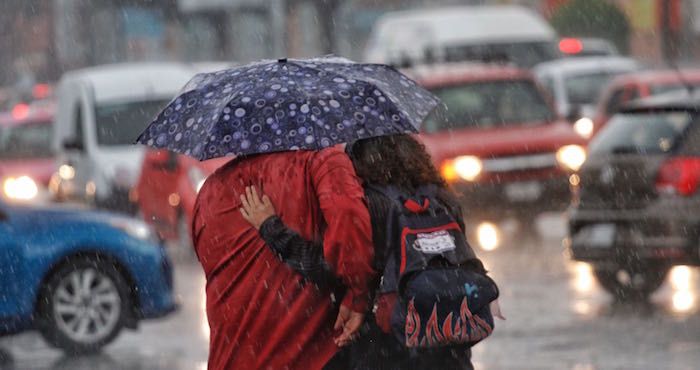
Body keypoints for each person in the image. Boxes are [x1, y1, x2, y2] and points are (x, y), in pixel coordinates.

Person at [240, 134, 501, 369]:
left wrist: (271, 229)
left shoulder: (367, 206)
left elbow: (330, 266)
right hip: (448, 339)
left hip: (388, 347)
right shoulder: (444, 201)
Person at [191, 147, 377, 369]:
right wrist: (358, 296)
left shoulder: (210, 191)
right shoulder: (322, 163)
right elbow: (351, 234)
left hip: (230, 360)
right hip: (307, 358)